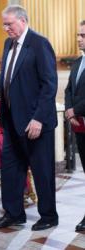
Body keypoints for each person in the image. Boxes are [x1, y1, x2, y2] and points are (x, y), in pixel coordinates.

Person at [0, 5, 59, 231]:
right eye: (4, 24)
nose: (5, 28)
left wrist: (38, 118)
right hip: (12, 122)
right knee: (10, 169)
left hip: (35, 124)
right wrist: (2, 112)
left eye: (9, 24)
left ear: (22, 20)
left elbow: (49, 85)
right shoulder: (8, 44)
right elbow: (7, 83)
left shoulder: (39, 43)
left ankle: (48, 216)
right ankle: (13, 213)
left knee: (42, 171)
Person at [65, 20, 85, 232]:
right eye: (78, 34)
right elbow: (69, 90)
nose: (79, 38)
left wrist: (74, 110)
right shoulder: (78, 62)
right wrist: (70, 111)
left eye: (83, 35)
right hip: (80, 126)